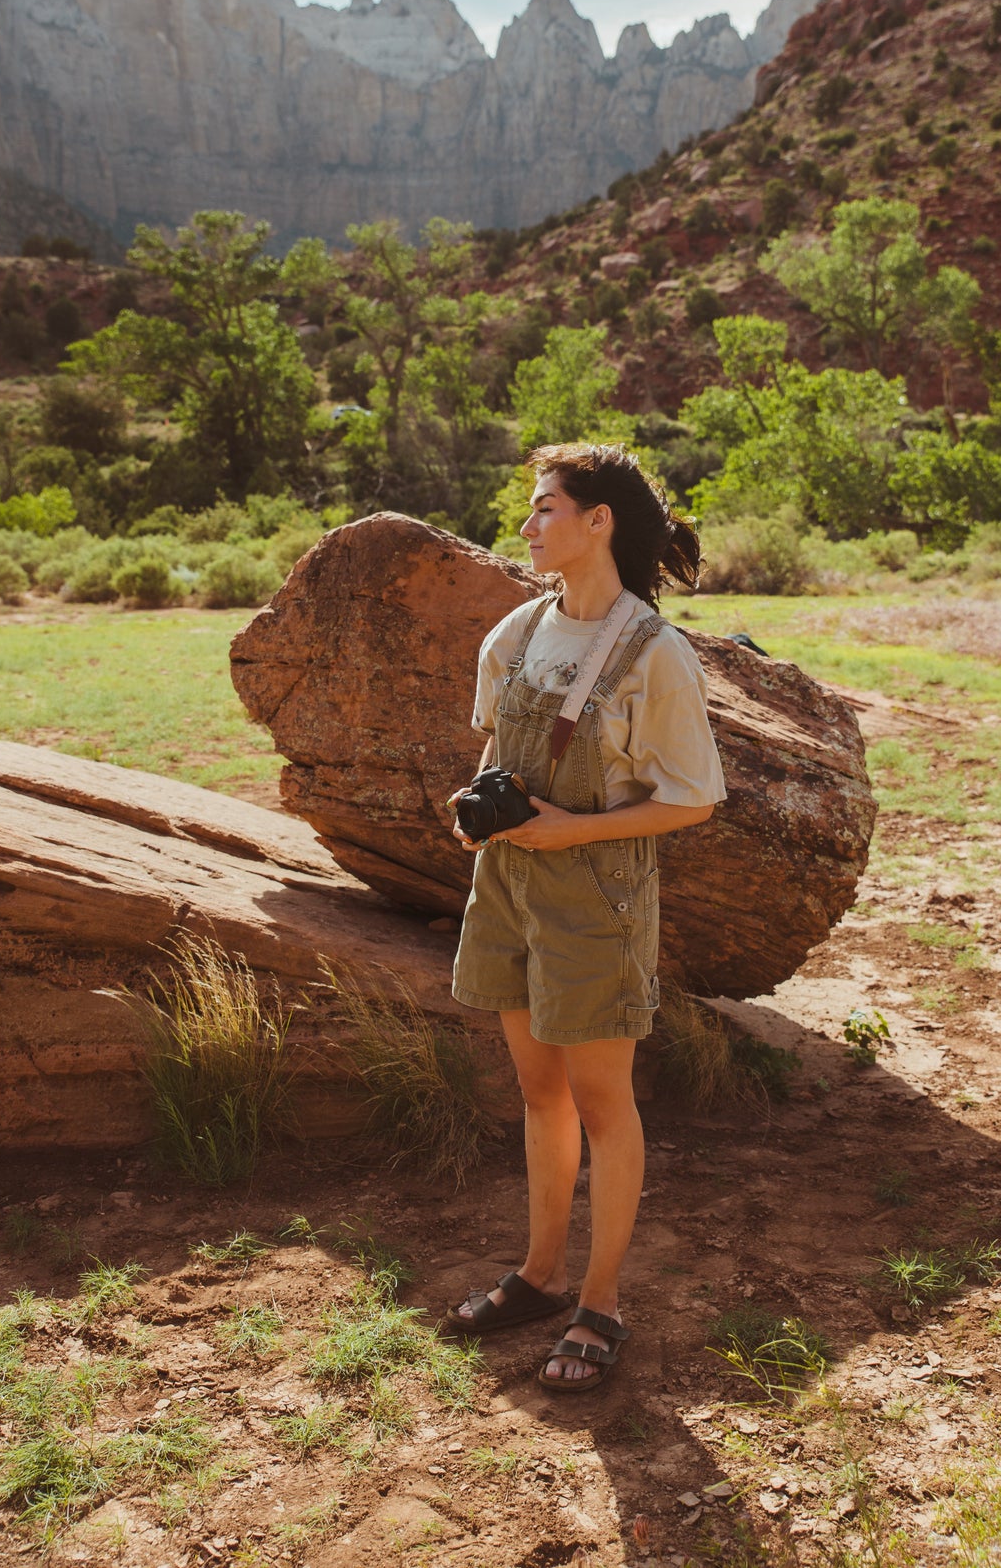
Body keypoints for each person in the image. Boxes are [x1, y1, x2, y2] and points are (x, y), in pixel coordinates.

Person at [446, 442, 725, 1390]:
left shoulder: (657, 652)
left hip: (598, 894)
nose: (526, 528)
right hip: (510, 890)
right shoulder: (516, 633)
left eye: (543, 509)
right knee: (538, 1091)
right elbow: (497, 754)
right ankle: (539, 1274)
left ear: (597, 519)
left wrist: (572, 832)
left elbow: (693, 797)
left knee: (604, 1102)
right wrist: (484, 808)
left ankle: (600, 1302)